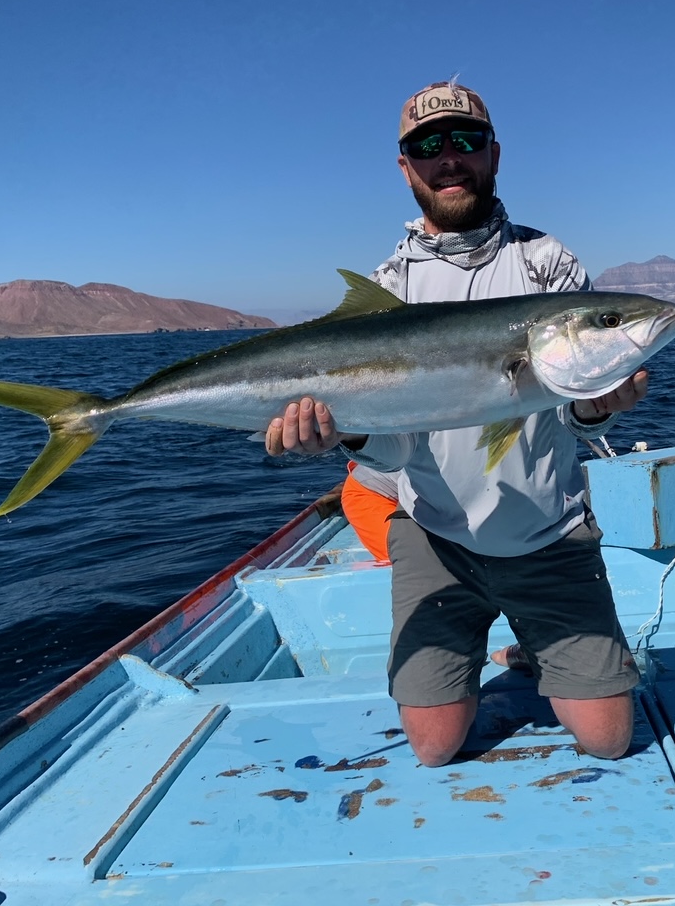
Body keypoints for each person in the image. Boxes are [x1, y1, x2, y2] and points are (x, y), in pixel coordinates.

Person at [265, 81, 649, 766]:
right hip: (434, 537)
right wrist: (346, 432)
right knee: (435, 750)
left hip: (546, 533)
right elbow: (392, 451)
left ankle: (536, 639)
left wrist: (592, 406)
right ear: (405, 165)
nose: (449, 159)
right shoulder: (391, 286)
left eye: (466, 142)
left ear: (494, 154)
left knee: (609, 740)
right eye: (428, 146)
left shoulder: (546, 264)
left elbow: (569, 406)